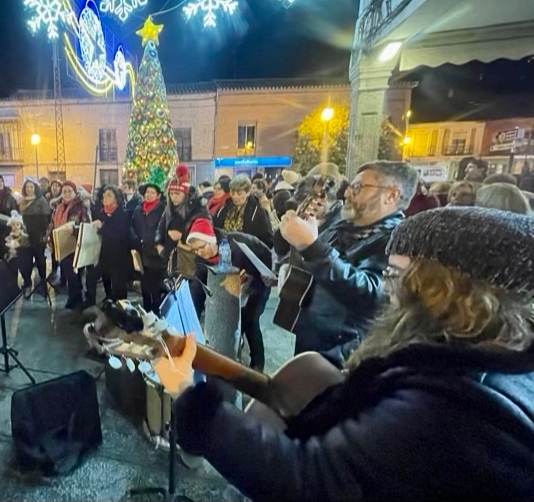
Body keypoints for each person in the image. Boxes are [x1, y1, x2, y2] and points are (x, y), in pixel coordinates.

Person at [158, 207, 534, 501]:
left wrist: (190, 398)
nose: (389, 290)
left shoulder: (456, 407)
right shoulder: (469, 360)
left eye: (395, 274)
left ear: (446, 292)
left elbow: (307, 481)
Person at [279, 161, 418, 366]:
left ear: (391, 195)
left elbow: (373, 294)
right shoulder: (342, 227)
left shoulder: (399, 240)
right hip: (312, 340)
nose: (347, 194)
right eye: (350, 186)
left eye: (358, 187)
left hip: (346, 354)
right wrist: (309, 228)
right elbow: (309, 265)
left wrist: (313, 247)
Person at [186, 217, 272, 372]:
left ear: (212, 241)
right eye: (195, 250)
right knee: (230, 319)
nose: (199, 252)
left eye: (201, 247)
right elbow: (197, 290)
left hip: (259, 279)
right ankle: (233, 353)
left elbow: (260, 266)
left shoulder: (236, 248)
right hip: (236, 282)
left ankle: (258, 366)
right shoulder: (201, 258)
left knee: (250, 320)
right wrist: (191, 322)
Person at [47, 181, 91, 309]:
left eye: (69, 191)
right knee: (68, 272)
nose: (66, 194)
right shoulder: (58, 207)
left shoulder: (81, 206)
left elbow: (87, 225)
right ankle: (73, 298)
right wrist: (48, 239)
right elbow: (51, 225)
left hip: (75, 245)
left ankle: (77, 300)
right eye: (64, 191)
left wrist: (75, 229)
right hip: (62, 244)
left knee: (74, 274)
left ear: (75, 192)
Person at [87, 185, 134, 304]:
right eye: (104, 196)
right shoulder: (102, 213)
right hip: (105, 256)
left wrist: (102, 227)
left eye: (109, 195)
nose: (105, 198)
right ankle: (91, 303)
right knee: (91, 276)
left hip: (119, 258)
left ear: (116, 199)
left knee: (119, 290)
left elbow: (119, 236)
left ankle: (121, 310)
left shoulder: (123, 214)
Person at [132, 182, 167, 313]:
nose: (149, 195)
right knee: (145, 283)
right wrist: (135, 239)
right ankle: (146, 311)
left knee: (155, 285)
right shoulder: (138, 209)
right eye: (147, 192)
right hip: (141, 252)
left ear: (158, 195)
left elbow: (164, 229)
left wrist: (157, 243)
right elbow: (132, 226)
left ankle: (157, 311)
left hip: (155, 253)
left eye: (152, 192)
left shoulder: (162, 209)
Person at [212, 174, 272, 247]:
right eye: (232, 193)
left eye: (239, 193)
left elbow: (268, 240)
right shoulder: (223, 209)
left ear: (248, 192)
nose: (235, 197)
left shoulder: (258, 211)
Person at [18, 178, 51, 297]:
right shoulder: (21, 202)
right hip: (24, 236)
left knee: (40, 260)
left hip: (38, 236)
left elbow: (47, 218)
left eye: (31, 187)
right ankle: (27, 283)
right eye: (27, 187)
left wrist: (44, 234)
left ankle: (43, 283)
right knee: (24, 262)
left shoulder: (41, 200)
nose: (29, 189)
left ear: (35, 188)